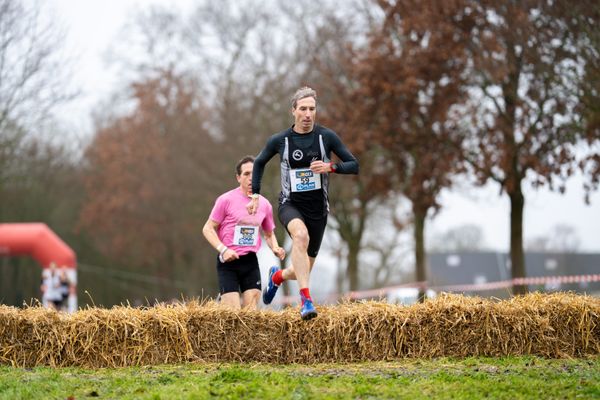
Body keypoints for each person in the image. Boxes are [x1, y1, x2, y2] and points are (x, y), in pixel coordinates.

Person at [247, 86, 359, 320]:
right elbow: (259, 163)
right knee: (300, 236)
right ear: (293, 111)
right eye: (303, 109)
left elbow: (353, 164)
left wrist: (331, 167)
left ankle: (277, 277)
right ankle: (306, 302)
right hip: (290, 204)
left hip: (318, 210)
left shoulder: (326, 137)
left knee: (301, 271)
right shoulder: (280, 140)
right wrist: (255, 194)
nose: (308, 114)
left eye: (312, 109)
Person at [203, 155, 286, 310]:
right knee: (232, 314)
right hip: (228, 262)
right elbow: (207, 228)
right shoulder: (225, 200)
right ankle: (222, 301)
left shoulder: (265, 204)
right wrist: (224, 249)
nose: (251, 178)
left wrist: (275, 247)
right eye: (246, 174)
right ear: (238, 178)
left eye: (255, 174)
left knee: (250, 314)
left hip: (250, 262)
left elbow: (269, 234)